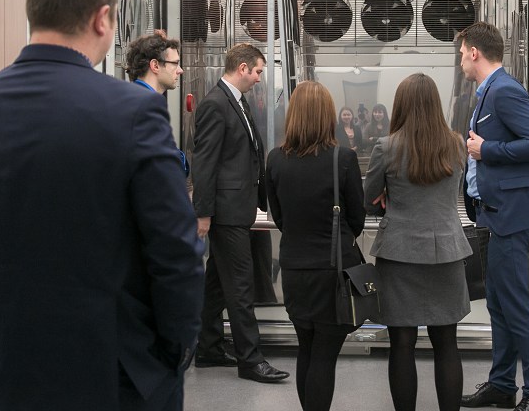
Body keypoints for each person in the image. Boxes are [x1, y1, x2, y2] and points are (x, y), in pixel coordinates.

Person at [0, 0, 204, 411]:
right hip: (107, 367)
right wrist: (176, 347)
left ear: (34, 13)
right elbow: (174, 249)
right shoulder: (133, 112)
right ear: (102, 18)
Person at [457, 22, 529, 411]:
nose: (461, 61)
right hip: (491, 213)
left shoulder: (505, 91)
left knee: (517, 307)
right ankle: (501, 385)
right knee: (498, 304)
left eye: (462, 53)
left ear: (474, 52)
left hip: (510, 217)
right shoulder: (488, 93)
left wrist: (489, 150)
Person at [364, 73, 472, 411]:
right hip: (447, 252)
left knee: (401, 343)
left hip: (399, 254)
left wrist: (385, 199)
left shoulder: (386, 147)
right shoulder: (456, 144)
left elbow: (367, 200)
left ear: (401, 105)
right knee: (447, 343)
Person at [265, 81, 366, 411]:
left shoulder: (275, 159)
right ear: (327, 116)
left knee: (306, 348)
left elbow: (279, 216)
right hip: (332, 272)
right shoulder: (343, 158)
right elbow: (357, 218)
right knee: (324, 354)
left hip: (294, 269)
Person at [192, 43, 289, 383]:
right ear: (243, 68)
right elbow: (204, 163)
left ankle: (208, 348)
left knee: (217, 285)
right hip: (226, 212)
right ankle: (250, 359)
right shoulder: (215, 104)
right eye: (258, 71)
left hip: (238, 208)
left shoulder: (236, 101)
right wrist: (203, 213)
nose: (260, 78)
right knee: (240, 287)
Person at [125, 29, 189, 173]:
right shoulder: (148, 105)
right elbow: (170, 165)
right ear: (155, 66)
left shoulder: (132, 99)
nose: (180, 70)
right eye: (175, 63)